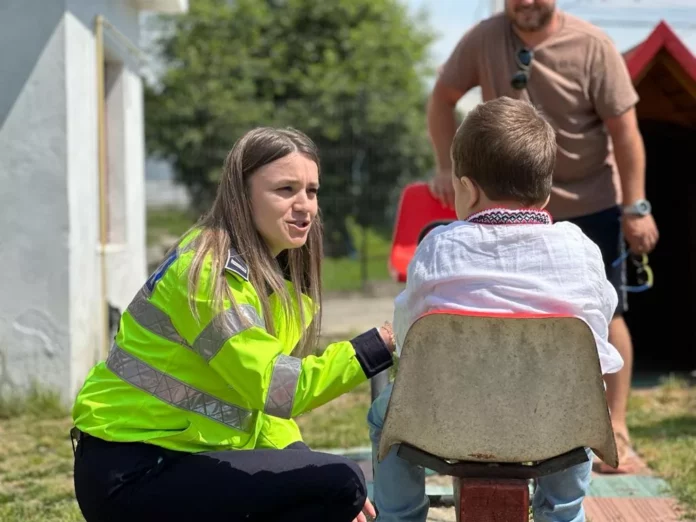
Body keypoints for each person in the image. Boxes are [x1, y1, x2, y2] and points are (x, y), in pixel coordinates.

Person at [70, 127, 396, 522]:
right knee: (341, 481)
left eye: (312, 191)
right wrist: (370, 349)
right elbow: (278, 388)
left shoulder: (275, 281)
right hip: (131, 472)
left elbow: (260, 411)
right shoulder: (210, 275)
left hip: (176, 460)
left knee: (330, 483)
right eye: (285, 189)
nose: (305, 205)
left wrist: (301, 463)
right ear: (242, 196)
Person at [426, 0, 659, 473]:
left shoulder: (592, 46)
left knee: (602, 308)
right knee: (510, 308)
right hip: (508, 202)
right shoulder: (485, 38)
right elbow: (442, 96)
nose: (526, 1)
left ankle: (614, 427)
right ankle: (517, 422)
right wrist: (446, 166)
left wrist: (635, 207)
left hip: (587, 200)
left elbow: (625, 130)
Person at [367, 97, 623, 522]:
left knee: (384, 418)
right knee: (582, 401)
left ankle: (400, 516)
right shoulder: (580, 248)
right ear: (546, 189)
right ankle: (562, 513)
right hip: (552, 421)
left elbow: (410, 335)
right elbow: (597, 333)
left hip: (444, 419)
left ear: (466, 188)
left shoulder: (437, 247)